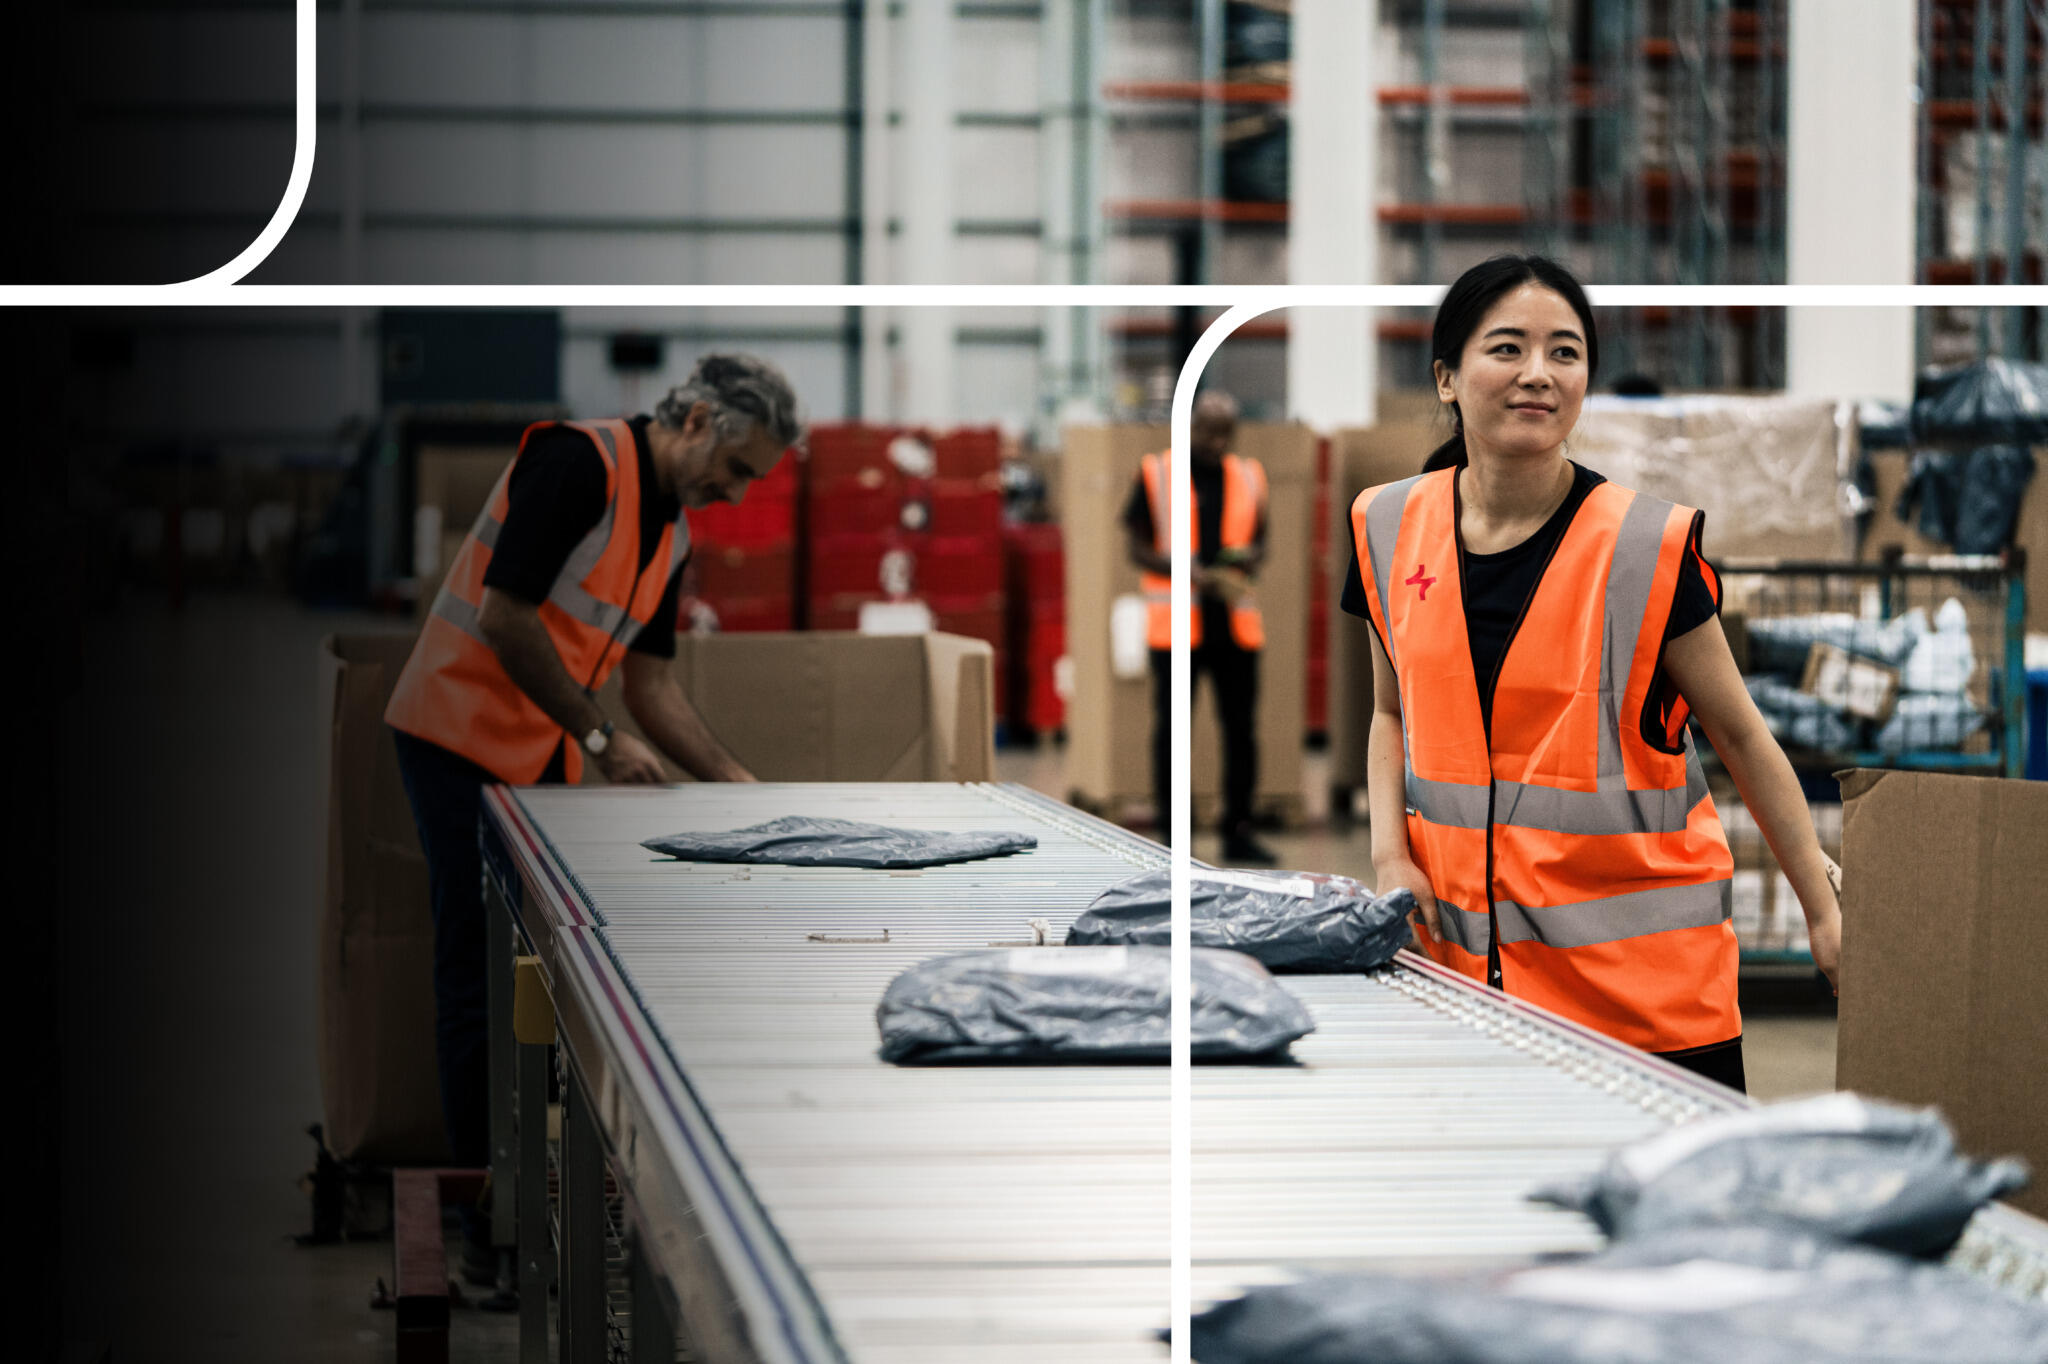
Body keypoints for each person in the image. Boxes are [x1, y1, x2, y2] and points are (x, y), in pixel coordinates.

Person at [1343, 256, 1842, 1094]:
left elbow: (1745, 738)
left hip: (1647, 1005)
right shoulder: (1388, 525)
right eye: (1507, 348)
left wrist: (1823, 910)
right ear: (1447, 378)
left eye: (1564, 353)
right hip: (1467, 980)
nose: (1538, 373)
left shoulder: (1645, 550)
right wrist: (1391, 858)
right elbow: (1390, 712)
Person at [384, 353, 802, 1277]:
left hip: (535, 755)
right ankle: (488, 1223)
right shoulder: (577, 465)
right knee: (476, 976)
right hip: (457, 736)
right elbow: (503, 617)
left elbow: (653, 688)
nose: (735, 493)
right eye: (735, 469)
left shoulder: (674, 534)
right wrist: (603, 739)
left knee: (530, 978)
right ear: (693, 419)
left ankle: (529, 1187)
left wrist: (739, 782)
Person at [1124, 389, 1277, 865]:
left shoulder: (1249, 476)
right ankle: (1176, 838)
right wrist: (1179, 569)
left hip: (1234, 629)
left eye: (1224, 432)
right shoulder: (1157, 473)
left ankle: (1237, 831)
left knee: (1241, 733)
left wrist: (1247, 560)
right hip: (1176, 630)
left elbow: (1261, 541)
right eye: (1207, 430)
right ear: (1189, 427)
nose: (1216, 441)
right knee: (1172, 735)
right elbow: (1136, 545)